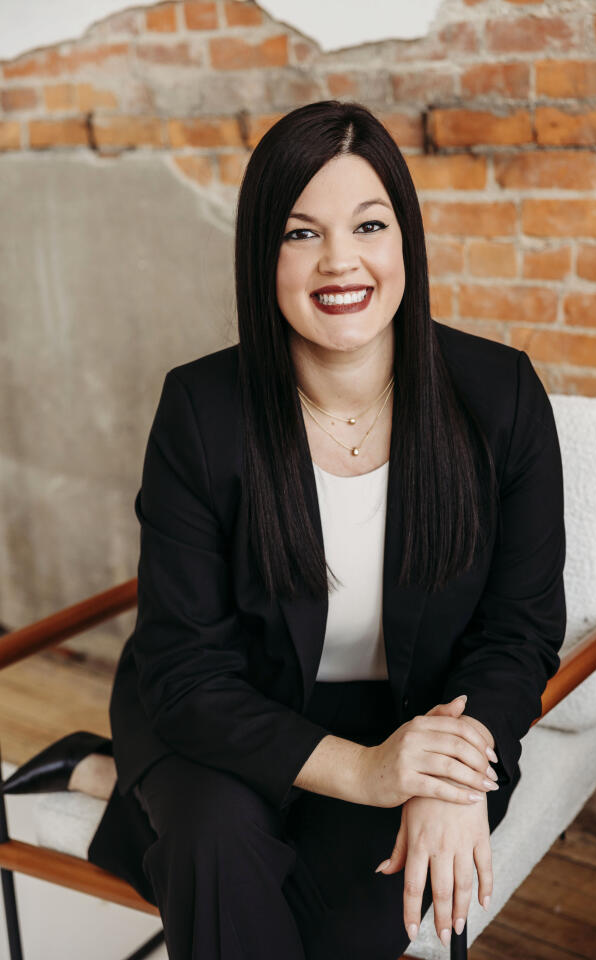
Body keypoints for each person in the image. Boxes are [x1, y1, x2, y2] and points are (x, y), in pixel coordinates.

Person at [77, 99, 564, 959]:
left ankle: (107, 786)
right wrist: (369, 773)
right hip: (223, 713)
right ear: (263, 255)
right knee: (214, 848)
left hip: (415, 716)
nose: (341, 261)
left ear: (405, 238)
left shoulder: (502, 397)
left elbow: (518, 631)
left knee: (349, 922)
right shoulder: (200, 411)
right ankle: (132, 787)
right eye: (301, 234)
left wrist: (449, 772)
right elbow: (189, 672)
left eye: (369, 224)